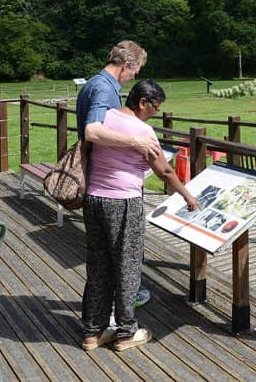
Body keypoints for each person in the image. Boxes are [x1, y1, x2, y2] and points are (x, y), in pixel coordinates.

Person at [80, 80, 200, 352]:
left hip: (94, 199)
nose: (156, 113)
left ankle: (92, 332)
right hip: (123, 203)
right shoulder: (143, 131)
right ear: (143, 102)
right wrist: (187, 195)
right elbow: (165, 171)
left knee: (98, 266)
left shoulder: (105, 117)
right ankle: (125, 333)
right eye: (155, 107)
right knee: (127, 267)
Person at [76, 40, 157, 308]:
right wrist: (136, 143)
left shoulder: (93, 83)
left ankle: (97, 318)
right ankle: (119, 313)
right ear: (126, 65)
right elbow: (93, 131)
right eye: (136, 71)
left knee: (100, 259)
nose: (135, 76)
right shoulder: (103, 89)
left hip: (99, 187)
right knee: (117, 256)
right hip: (112, 191)